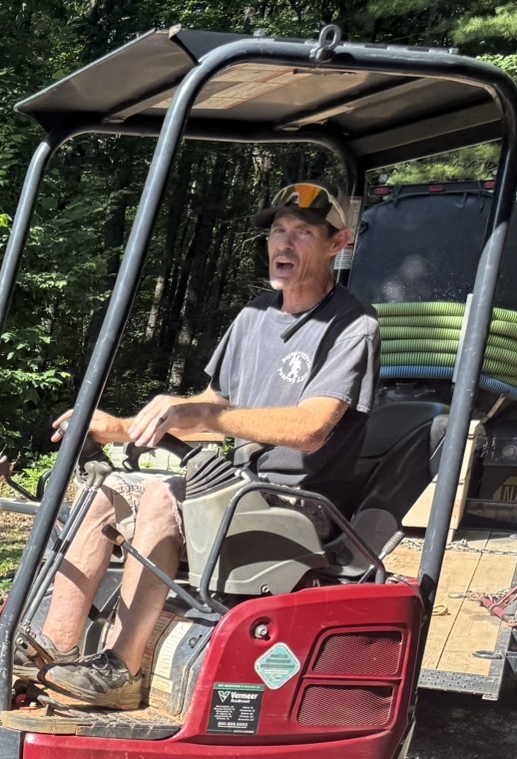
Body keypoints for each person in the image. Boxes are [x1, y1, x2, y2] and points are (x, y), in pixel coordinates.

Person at [31, 182, 382, 709]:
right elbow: (214, 409)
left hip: (298, 505)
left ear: (338, 243)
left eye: (303, 233)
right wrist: (121, 427)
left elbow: (312, 427)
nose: (284, 244)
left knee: (161, 497)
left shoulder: (353, 326)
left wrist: (202, 412)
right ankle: (50, 649)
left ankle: (122, 670)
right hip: (239, 486)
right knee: (105, 491)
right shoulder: (255, 316)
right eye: (278, 231)